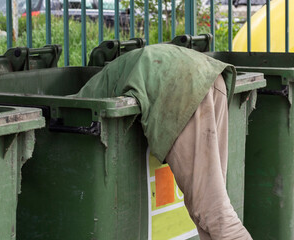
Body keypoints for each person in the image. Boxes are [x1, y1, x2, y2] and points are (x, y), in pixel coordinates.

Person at [75, 44, 252, 239]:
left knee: (214, 211)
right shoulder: (120, 70)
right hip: (209, 74)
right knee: (210, 208)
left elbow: (75, 111)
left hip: (181, 84)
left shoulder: (87, 94)